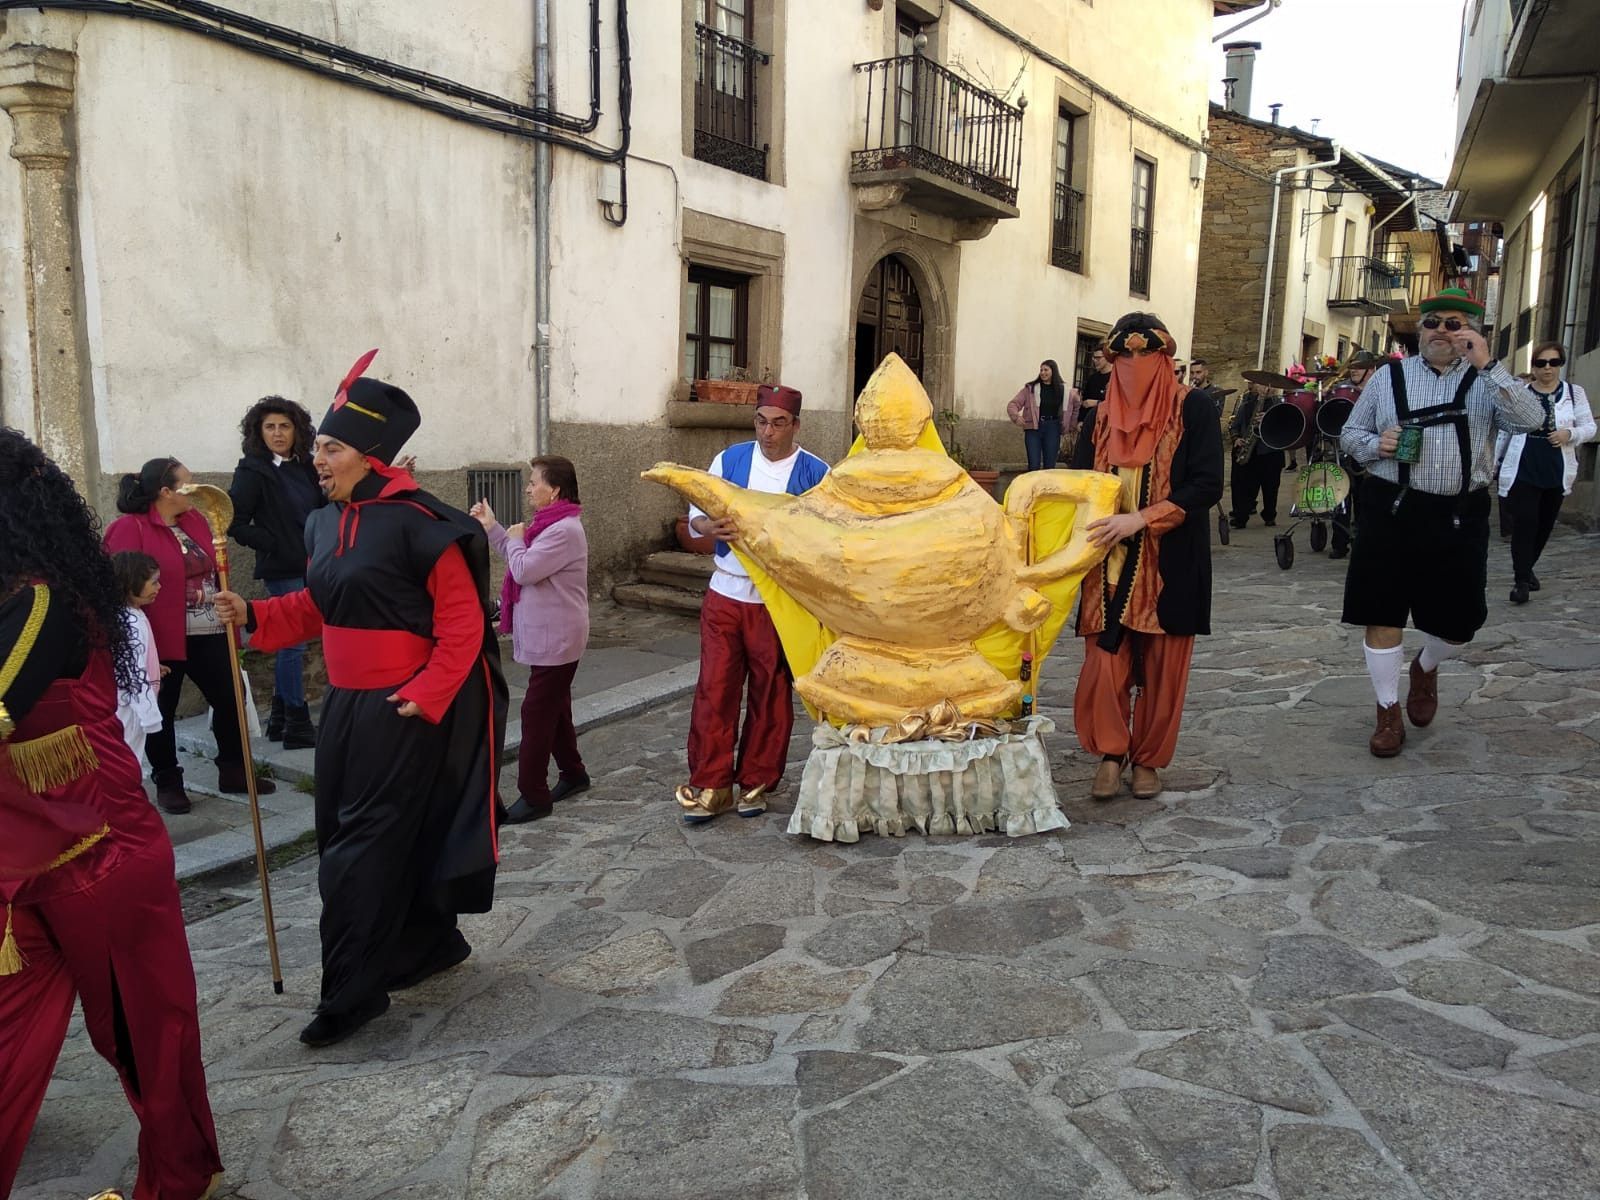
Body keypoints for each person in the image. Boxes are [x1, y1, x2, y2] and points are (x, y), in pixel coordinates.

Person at [213, 352, 507, 1047]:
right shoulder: (322, 524)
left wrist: (428, 694)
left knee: (356, 853)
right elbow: (317, 608)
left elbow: (463, 625)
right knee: (344, 837)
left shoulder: (421, 523)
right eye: (317, 447)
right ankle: (428, 944)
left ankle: (351, 992)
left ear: (371, 455)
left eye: (330, 447)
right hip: (343, 710)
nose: (317, 458)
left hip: (401, 710)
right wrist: (251, 614)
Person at [0, 428, 222, 1200]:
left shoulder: (42, 601)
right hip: (25, 865)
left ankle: (179, 1183)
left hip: (103, 857)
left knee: (146, 1043)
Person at [1339, 288, 1544, 758]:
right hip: (1392, 507)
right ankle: (1387, 711)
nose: (1442, 332)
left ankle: (1427, 666)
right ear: (1420, 329)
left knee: (1460, 623)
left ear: (1471, 332)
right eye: (1433, 322)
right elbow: (1351, 432)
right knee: (1381, 610)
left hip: (1459, 513)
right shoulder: (1389, 377)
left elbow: (1531, 421)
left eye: (1455, 324)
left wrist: (1489, 366)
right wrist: (1377, 445)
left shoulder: (1488, 382)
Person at [1075, 312, 1224, 801]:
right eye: (1125, 356)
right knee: (1105, 663)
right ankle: (1111, 753)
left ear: (1166, 359)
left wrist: (1141, 518)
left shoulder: (1193, 407)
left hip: (1170, 561)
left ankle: (1148, 760)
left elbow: (1205, 483)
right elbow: (1078, 484)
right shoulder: (1098, 418)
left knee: (1163, 667)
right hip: (1107, 563)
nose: (1134, 365)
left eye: (1146, 354)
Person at [678, 383, 829, 824]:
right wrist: (708, 525)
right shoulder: (729, 460)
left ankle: (757, 782)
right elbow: (696, 514)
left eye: (779, 423)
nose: (768, 432)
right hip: (725, 592)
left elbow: (827, 534)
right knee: (714, 689)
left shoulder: (816, 473)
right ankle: (711, 783)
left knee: (771, 692)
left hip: (777, 601)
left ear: (795, 425)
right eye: (762, 421)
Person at [104, 458, 275, 813]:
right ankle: (168, 781)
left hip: (211, 628)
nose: (194, 488)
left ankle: (233, 769)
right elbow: (119, 583)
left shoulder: (195, 519)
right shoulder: (129, 528)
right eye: (186, 483)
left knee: (231, 697)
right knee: (161, 710)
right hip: (160, 635)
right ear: (165, 492)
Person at [471, 455, 590, 824]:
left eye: (534, 481)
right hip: (551, 635)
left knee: (536, 713)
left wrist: (513, 537)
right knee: (556, 709)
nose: (527, 487)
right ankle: (573, 774)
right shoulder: (547, 526)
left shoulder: (562, 530)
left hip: (559, 638)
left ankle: (534, 794)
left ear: (553, 489)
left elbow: (521, 569)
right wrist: (494, 528)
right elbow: (519, 555)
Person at [228, 396, 325, 749]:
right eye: (270, 426)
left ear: (296, 430)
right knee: (292, 643)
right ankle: (297, 722)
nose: (278, 433)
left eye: (284, 426)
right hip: (281, 565)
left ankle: (281, 720)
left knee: (297, 640)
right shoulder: (253, 470)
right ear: (259, 432)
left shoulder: (307, 467)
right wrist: (272, 541)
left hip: (312, 562)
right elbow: (234, 522)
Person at [1495, 340, 1595, 604]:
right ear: (1534, 366)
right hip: (1524, 464)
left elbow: (1589, 428)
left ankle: (1527, 570)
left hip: (1556, 467)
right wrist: (1492, 465)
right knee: (1525, 523)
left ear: (1560, 364)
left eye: (1554, 362)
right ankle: (1521, 582)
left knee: (1544, 525)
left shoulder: (1575, 393)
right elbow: (1504, 431)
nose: (1547, 368)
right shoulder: (1521, 393)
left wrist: (1569, 434)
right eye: (1541, 363)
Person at [111, 550, 166, 771]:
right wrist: (150, 717)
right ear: (131, 583)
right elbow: (132, 671)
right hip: (131, 709)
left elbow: (139, 658)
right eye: (153, 582)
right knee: (128, 762)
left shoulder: (132, 615)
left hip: (133, 705)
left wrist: (154, 666)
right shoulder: (130, 623)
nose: (159, 587)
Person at [1226, 379, 1285, 528]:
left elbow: (1285, 428)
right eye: (1262, 384)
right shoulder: (1246, 403)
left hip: (1271, 452)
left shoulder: (1279, 405)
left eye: (1269, 385)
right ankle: (1241, 517)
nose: (1265, 388)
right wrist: (1237, 439)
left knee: (1271, 487)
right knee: (1245, 487)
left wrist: (1268, 419)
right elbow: (1235, 425)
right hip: (1250, 451)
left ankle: (1270, 515)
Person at [1007, 359, 1079, 472]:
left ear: (1053, 371)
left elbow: (1076, 406)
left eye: (1046, 370)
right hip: (1033, 429)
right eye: (1041, 370)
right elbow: (1013, 404)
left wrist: (1071, 425)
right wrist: (1016, 417)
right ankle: (1033, 488)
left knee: (1050, 466)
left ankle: (1046, 489)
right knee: (1034, 465)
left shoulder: (1064, 390)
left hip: (1053, 428)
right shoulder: (1030, 389)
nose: (1043, 372)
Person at [1071, 343, 1112, 470]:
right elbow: (1084, 401)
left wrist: (1097, 403)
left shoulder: (1115, 379)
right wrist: (1080, 421)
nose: (1094, 361)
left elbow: (1115, 403)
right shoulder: (1092, 378)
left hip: (1106, 428)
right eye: (1093, 358)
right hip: (1089, 425)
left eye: (1098, 358)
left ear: (1107, 358)